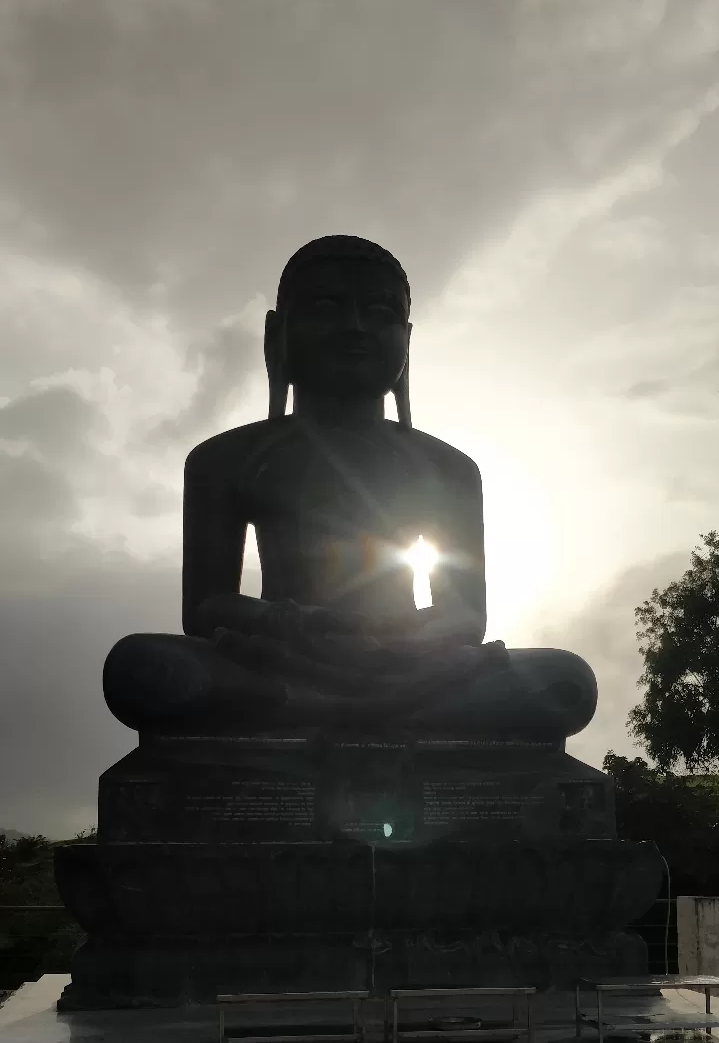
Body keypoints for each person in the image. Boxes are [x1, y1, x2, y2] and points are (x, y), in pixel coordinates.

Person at [103, 236, 597, 740]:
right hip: (279, 657)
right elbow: (205, 608)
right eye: (325, 307)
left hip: (412, 664)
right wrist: (297, 625)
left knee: (564, 681)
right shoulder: (224, 461)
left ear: (407, 339)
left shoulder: (447, 469)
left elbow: (465, 616)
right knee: (143, 669)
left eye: (380, 312)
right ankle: (372, 714)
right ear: (278, 334)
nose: (355, 328)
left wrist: (395, 637)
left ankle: (312, 712)